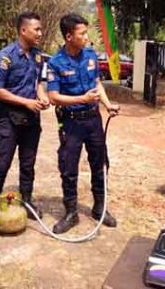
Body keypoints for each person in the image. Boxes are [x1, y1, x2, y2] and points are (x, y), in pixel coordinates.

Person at [46, 13, 121, 234]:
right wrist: (82, 99)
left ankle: (99, 208)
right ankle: (71, 213)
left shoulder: (90, 55)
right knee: (69, 168)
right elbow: (53, 97)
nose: (87, 38)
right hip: (71, 123)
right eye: (82, 34)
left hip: (93, 120)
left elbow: (97, 83)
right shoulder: (55, 62)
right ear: (69, 36)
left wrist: (107, 105)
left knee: (99, 164)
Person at [0, 11, 50, 225]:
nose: (40, 32)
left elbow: (39, 81)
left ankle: (27, 201)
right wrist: (25, 102)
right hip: (9, 119)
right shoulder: (6, 56)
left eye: (40, 29)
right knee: (2, 164)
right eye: (36, 29)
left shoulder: (38, 55)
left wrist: (41, 96)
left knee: (28, 165)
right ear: (23, 30)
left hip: (31, 119)